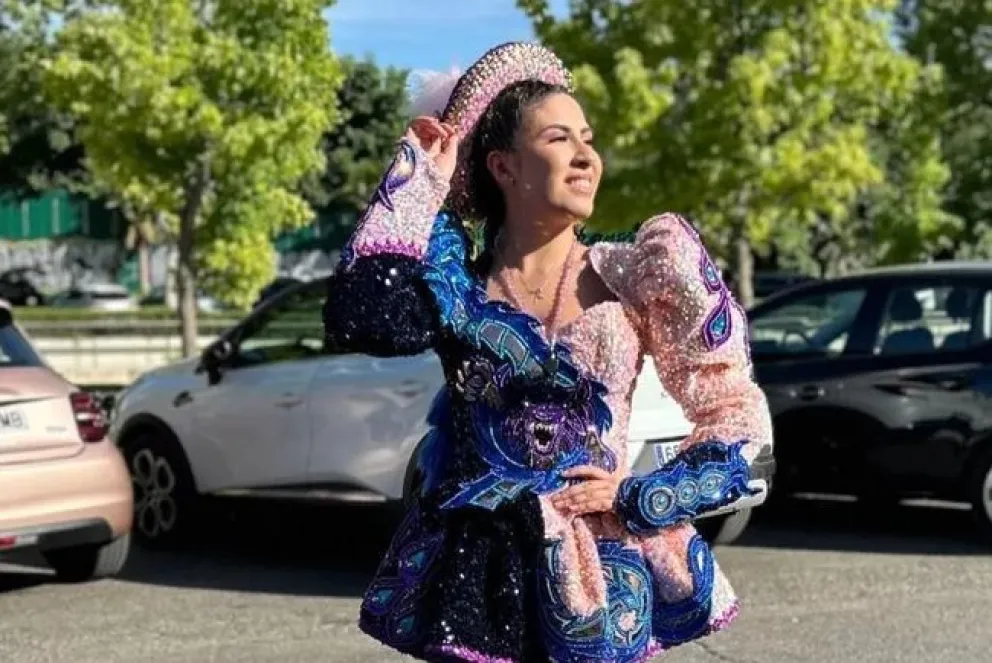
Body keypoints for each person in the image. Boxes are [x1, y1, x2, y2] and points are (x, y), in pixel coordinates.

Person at [324, 41, 773, 663]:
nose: (587, 156)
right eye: (561, 138)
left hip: (602, 575)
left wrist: (645, 494)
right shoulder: (454, 282)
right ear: (504, 167)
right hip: (476, 575)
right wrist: (418, 178)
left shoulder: (638, 273)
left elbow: (739, 418)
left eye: (588, 138)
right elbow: (364, 319)